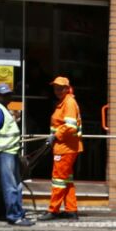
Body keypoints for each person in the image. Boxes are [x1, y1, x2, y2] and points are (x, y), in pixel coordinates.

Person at [0, 83, 32, 227]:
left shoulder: (2, 109)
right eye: (4, 95)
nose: (7, 97)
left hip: (9, 152)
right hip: (4, 152)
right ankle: (14, 216)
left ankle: (18, 212)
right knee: (10, 186)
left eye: (8, 94)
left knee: (16, 185)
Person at [40, 76, 82, 221]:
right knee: (66, 180)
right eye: (55, 87)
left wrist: (55, 135)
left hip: (65, 148)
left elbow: (70, 127)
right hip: (66, 147)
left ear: (66, 88)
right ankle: (71, 210)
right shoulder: (65, 102)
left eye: (60, 87)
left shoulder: (68, 103)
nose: (57, 90)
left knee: (58, 180)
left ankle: (53, 210)